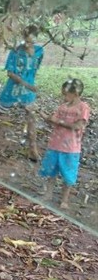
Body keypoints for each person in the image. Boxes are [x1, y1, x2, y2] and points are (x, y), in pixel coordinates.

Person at [0, 25, 44, 161]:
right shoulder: (15, 52)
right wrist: (27, 84)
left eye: (32, 40)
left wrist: (29, 84)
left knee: (31, 117)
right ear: (24, 37)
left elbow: (35, 68)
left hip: (28, 91)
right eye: (27, 39)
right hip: (13, 89)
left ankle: (33, 149)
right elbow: (10, 73)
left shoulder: (39, 51)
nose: (29, 43)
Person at [38, 78, 90, 209]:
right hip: (55, 144)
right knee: (51, 171)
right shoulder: (62, 107)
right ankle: (48, 194)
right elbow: (53, 120)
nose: (63, 96)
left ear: (76, 93)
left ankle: (64, 200)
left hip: (71, 148)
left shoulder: (83, 107)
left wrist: (58, 122)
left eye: (66, 94)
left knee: (68, 174)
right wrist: (44, 116)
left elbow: (78, 126)